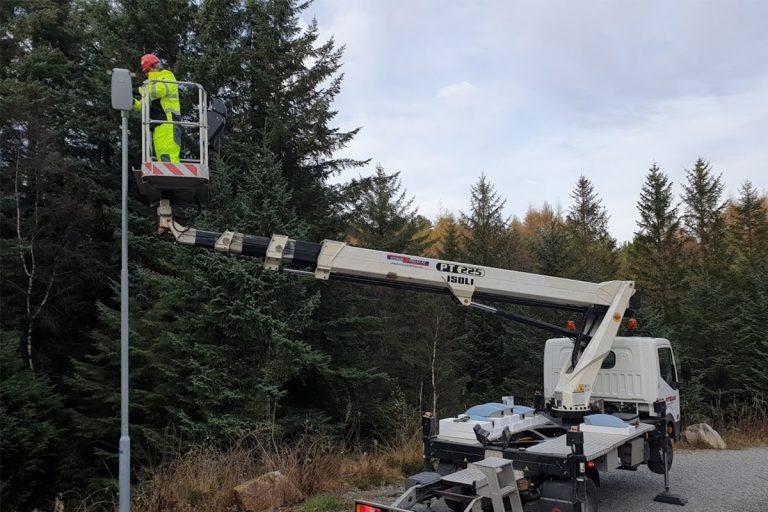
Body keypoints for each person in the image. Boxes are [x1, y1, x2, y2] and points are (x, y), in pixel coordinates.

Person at [133, 54, 181, 163]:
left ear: (154, 66)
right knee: (162, 157)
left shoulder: (167, 75)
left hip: (169, 123)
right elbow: (142, 105)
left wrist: (138, 90)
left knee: (169, 156)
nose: (146, 74)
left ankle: (172, 179)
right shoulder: (150, 86)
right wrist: (133, 102)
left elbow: (160, 90)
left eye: (147, 71)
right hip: (158, 125)